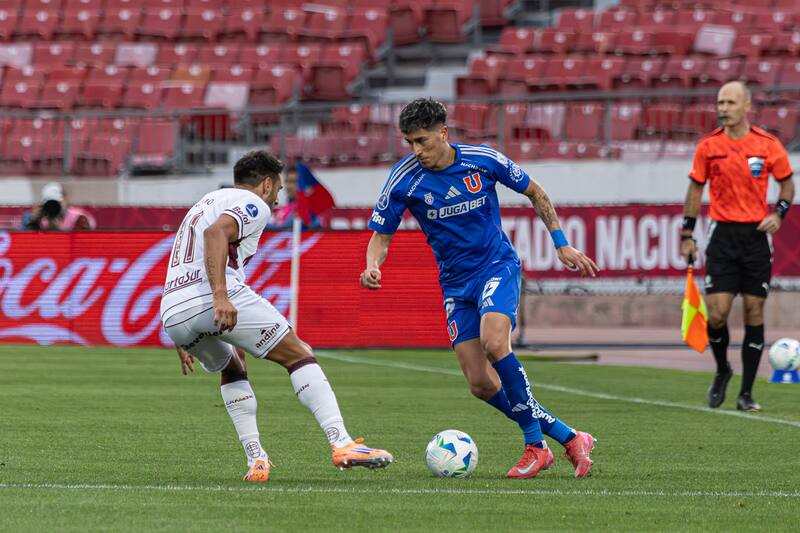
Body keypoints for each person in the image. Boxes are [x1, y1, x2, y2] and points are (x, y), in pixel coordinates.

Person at [360, 98, 599, 479]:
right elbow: (381, 235)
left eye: (422, 141)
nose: (416, 150)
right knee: (480, 383)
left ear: (443, 133)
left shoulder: (482, 159)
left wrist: (561, 243)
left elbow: (535, 191)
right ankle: (569, 436)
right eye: (409, 142)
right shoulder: (404, 179)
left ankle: (535, 446)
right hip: (455, 284)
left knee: (494, 342)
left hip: (495, 267)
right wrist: (372, 264)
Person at [160, 150, 392, 482]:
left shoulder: (206, 201)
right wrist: (220, 295)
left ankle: (257, 460)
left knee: (233, 366)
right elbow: (216, 235)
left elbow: (190, 253)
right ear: (266, 184)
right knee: (299, 354)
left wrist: (184, 327)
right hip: (208, 297)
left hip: (173, 310)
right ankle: (342, 443)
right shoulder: (250, 203)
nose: (278, 201)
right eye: (279, 191)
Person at [680, 81, 795, 412]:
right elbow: (694, 190)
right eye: (720, 102)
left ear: (747, 106)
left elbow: (787, 184)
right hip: (722, 237)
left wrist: (779, 213)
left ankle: (746, 393)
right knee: (716, 314)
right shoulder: (708, 146)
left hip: (756, 238)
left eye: (730, 102)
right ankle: (722, 370)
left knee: (754, 311)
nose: (723, 108)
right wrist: (687, 234)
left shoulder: (767, 145)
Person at [21, 182, 96, 231]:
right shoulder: (40, 217)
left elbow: (83, 242)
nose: (53, 206)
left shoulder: (79, 217)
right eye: (49, 203)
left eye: (56, 202)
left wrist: (56, 228)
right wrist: (34, 222)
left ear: (65, 199)